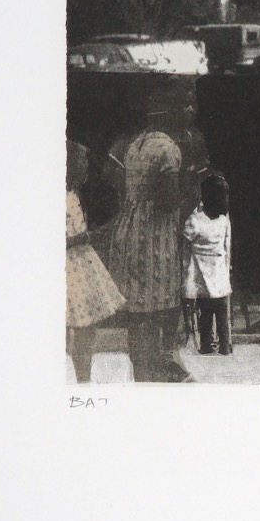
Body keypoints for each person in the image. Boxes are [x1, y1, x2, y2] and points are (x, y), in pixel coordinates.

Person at [108, 85, 190, 382]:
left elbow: (125, 183)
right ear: (173, 112)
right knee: (163, 302)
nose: (190, 113)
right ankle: (161, 363)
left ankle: (143, 371)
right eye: (186, 107)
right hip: (156, 234)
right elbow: (168, 200)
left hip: (132, 228)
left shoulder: (137, 144)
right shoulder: (168, 148)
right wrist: (186, 196)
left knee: (139, 308)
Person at [66, 138, 125, 382]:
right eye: (82, 162)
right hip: (70, 267)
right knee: (72, 322)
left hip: (81, 265)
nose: (86, 168)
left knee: (86, 325)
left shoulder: (74, 193)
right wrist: (88, 236)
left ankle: (84, 378)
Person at [182, 171, 233, 356]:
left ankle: (212, 343)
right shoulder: (212, 219)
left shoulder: (200, 219)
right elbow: (227, 245)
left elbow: (185, 243)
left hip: (209, 271)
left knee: (210, 311)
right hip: (212, 270)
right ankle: (219, 344)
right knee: (218, 310)